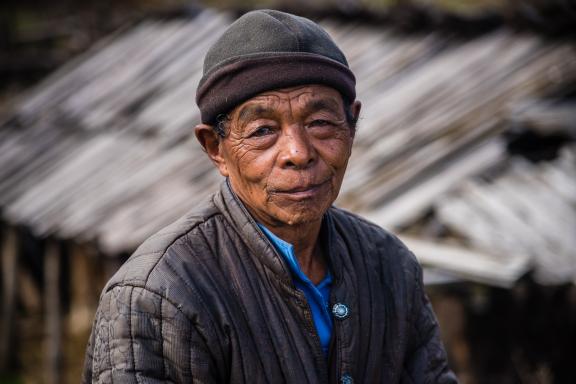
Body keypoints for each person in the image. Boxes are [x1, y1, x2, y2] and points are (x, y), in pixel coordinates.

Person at [82, 9, 457, 383]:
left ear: (352, 126)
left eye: (321, 123)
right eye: (262, 130)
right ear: (215, 148)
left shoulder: (388, 266)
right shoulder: (160, 295)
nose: (298, 152)